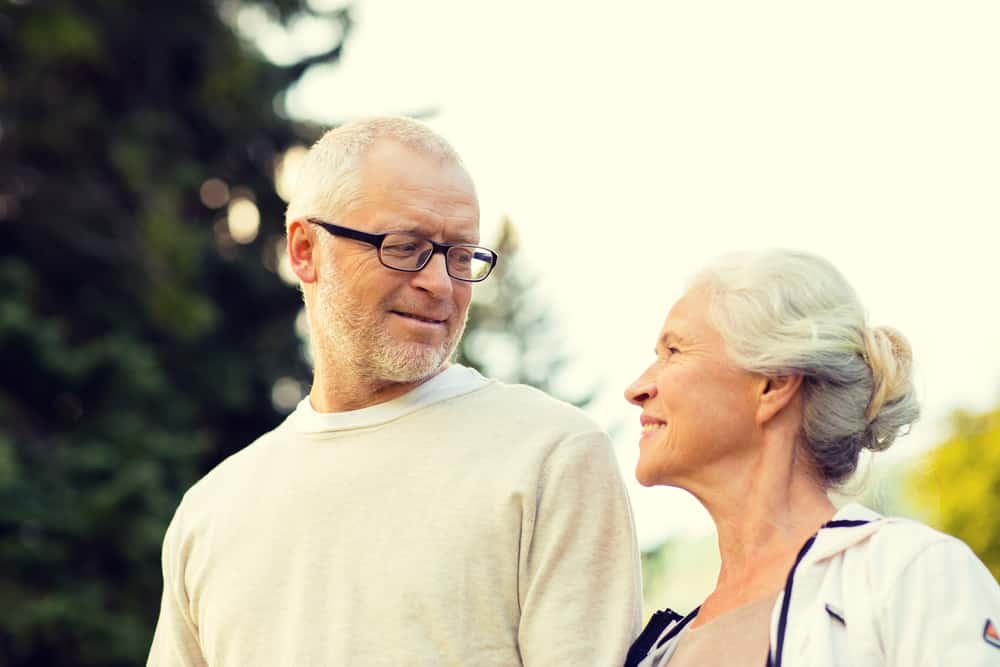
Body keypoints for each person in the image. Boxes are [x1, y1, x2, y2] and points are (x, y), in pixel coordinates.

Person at [147, 117, 642, 666]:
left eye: (460, 256)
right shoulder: (211, 513)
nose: (440, 284)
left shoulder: (551, 456)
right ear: (305, 250)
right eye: (405, 247)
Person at [622, 249, 1000, 667]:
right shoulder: (659, 652)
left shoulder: (909, 574)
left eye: (673, 351)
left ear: (774, 383)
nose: (637, 387)